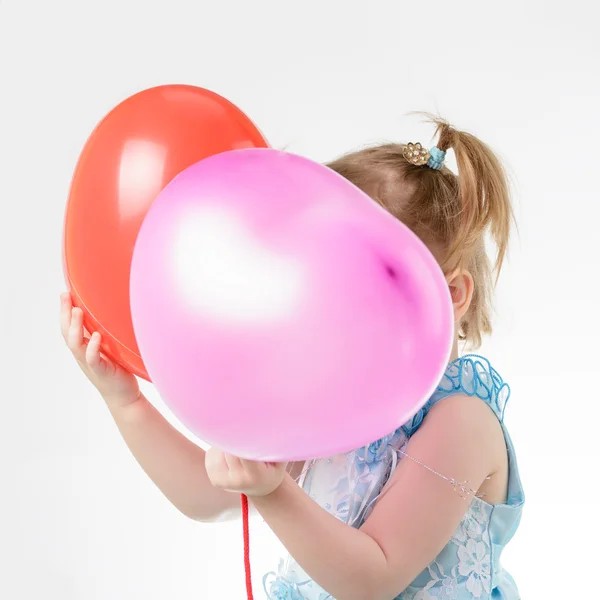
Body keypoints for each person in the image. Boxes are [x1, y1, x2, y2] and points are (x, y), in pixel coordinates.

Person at [60, 116, 524, 600]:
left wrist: (275, 492)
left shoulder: (460, 422)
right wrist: (125, 401)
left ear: (450, 294)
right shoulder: (340, 398)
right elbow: (210, 495)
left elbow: (375, 576)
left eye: (356, 288)